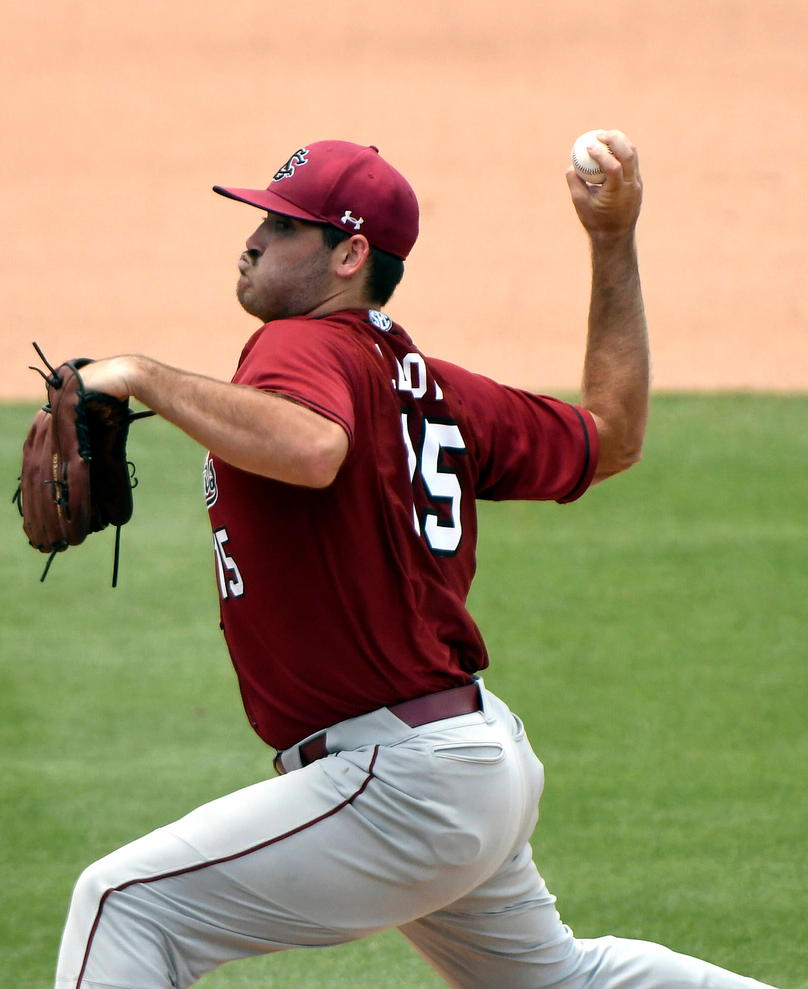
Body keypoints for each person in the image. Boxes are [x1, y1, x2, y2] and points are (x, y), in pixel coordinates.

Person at [51, 136, 750, 989]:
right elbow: (612, 435)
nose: (254, 238)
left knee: (124, 905)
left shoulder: (302, 346)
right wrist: (612, 241)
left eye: (282, 224)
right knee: (560, 980)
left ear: (349, 256)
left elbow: (312, 447)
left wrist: (143, 376)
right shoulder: (426, 380)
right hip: (467, 759)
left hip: (399, 780)